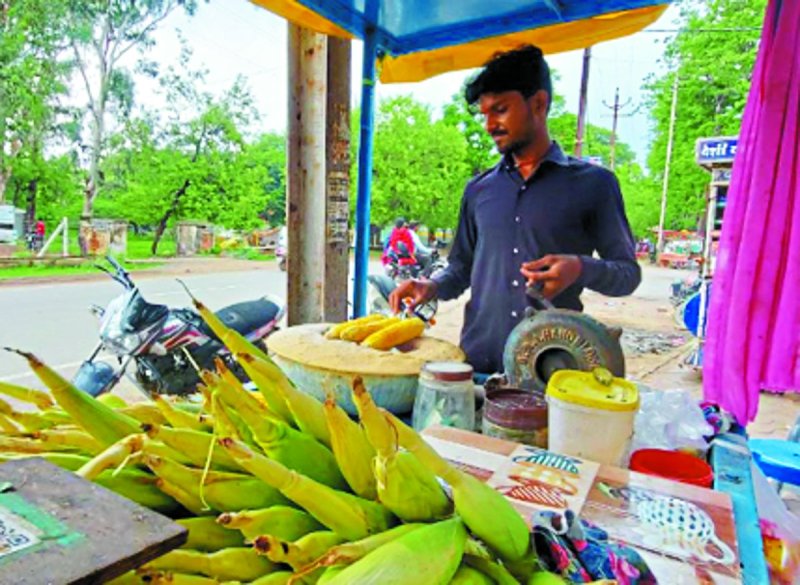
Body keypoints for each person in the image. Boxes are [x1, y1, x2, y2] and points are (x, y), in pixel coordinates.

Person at [390, 45, 641, 375]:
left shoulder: (595, 184)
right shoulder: (479, 190)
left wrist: (579, 268)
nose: (489, 124)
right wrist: (431, 286)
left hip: (548, 371)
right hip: (477, 365)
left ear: (538, 103)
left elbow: (627, 274)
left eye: (500, 110)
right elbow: (461, 267)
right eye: (485, 114)